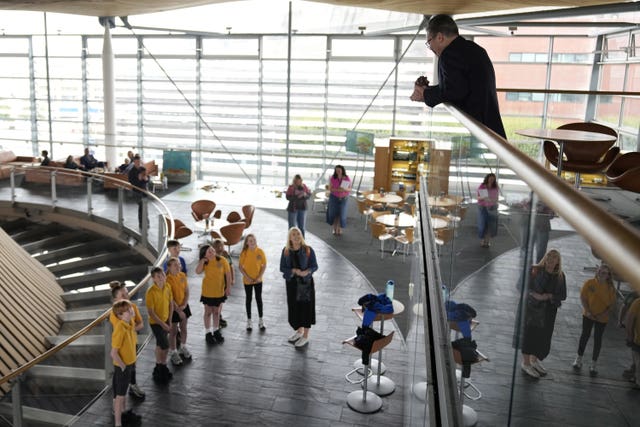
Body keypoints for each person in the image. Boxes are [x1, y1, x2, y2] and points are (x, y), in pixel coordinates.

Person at [409, 14, 506, 138]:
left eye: (429, 42)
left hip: (480, 128)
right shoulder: (474, 49)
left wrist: (424, 94)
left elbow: (454, 92)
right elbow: (458, 84)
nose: (430, 48)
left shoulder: (449, 54)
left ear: (439, 37)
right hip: (490, 123)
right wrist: (427, 90)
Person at [520, 249, 567, 378]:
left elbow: (563, 295)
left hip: (549, 312)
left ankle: (534, 361)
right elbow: (522, 286)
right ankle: (526, 363)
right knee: (530, 335)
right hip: (533, 310)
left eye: (554, 258)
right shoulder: (535, 270)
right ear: (545, 258)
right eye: (549, 257)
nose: (551, 260)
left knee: (543, 337)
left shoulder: (560, 276)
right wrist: (535, 295)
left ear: (558, 261)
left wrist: (548, 296)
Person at [572, 264, 616, 376]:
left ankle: (593, 364)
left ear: (608, 276)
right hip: (588, 315)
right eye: (601, 272)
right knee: (585, 335)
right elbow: (583, 298)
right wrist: (589, 311)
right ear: (597, 272)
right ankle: (578, 359)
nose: (602, 274)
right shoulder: (589, 283)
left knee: (598, 339)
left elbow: (611, 305)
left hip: (602, 317)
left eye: (605, 273)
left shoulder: (610, 288)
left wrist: (601, 315)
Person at [279, 227, 318, 347]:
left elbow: (314, 266)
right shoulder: (286, 251)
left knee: (306, 309)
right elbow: (282, 268)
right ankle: (299, 331)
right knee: (295, 308)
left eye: (298, 234)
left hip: (305, 285)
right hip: (292, 285)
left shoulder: (308, 250)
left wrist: (307, 272)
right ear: (290, 238)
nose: (296, 236)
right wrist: (293, 270)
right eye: (293, 234)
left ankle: (305, 336)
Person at [108, 281, 145, 400]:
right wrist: (131, 327)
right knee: (119, 374)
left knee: (133, 366)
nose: (127, 297)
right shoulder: (114, 313)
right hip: (121, 346)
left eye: (127, 293)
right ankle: (116, 400)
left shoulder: (132, 307)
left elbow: (141, 324)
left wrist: (132, 328)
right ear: (115, 300)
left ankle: (132, 386)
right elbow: (121, 327)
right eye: (123, 295)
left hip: (132, 343)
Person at [110, 300, 142, 427]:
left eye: (130, 308)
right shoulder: (120, 329)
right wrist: (123, 366)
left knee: (123, 395)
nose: (131, 310)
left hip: (129, 364)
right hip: (123, 366)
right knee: (120, 397)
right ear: (120, 316)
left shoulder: (130, 323)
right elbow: (113, 353)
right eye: (128, 311)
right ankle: (118, 423)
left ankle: (123, 413)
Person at [196, 244, 231, 345]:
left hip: (219, 292)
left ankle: (216, 331)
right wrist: (202, 261)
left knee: (216, 312)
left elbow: (228, 275)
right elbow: (197, 271)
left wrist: (228, 287)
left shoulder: (222, 260)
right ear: (205, 255)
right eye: (209, 252)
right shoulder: (205, 263)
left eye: (212, 250)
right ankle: (207, 333)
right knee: (208, 312)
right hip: (207, 292)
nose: (211, 253)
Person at [145, 267, 174, 384]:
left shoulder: (168, 287)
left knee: (159, 344)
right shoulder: (150, 292)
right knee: (165, 346)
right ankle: (163, 364)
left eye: (162, 275)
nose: (161, 277)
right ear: (153, 279)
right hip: (156, 323)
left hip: (166, 319)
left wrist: (170, 320)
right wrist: (163, 324)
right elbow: (151, 312)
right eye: (158, 276)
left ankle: (158, 365)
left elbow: (171, 304)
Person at [166, 257, 192, 365]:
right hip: (173, 308)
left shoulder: (182, 276)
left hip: (183, 305)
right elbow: (170, 298)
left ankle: (183, 346)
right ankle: (173, 352)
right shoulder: (167, 280)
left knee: (183, 328)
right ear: (169, 267)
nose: (178, 267)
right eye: (175, 265)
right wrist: (178, 309)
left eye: (179, 264)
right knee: (173, 331)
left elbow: (186, 291)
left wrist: (184, 304)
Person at [239, 234, 267, 332]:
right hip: (247, 281)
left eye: (254, 240)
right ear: (247, 243)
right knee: (249, 299)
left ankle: (261, 319)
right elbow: (240, 267)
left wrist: (259, 277)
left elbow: (264, 265)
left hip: (258, 280)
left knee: (259, 299)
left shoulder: (260, 252)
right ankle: (249, 320)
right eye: (250, 240)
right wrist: (248, 277)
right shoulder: (244, 253)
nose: (252, 242)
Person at [212, 238, 234, 328]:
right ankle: (217, 319)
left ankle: (219, 317)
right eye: (217, 247)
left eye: (221, 246)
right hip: (215, 284)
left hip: (224, 283)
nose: (220, 248)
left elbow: (231, 266)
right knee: (216, 303)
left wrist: (232, 279)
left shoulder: (226, 255)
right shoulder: (212, 257)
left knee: (221, 302)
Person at [325, 165, 351, 236]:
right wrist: (339, 189)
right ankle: (334, 228)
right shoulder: (333, 178)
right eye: (337, 170)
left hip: (344, 198)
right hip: (334, 197)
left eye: (339, 170)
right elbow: (330, 188)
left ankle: (339, 228)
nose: (338, 172)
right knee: (334, 214)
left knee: (341, 214)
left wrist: (343, 189)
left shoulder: (346, 178)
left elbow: (349, 189)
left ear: (342, 170)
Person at [476, 173, 499, 248]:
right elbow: (478, 198)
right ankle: (482, 240)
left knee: (490, 225)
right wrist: (485, 198)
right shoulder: (482, 186)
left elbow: (496, 198)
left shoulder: (495, 187)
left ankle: (487, 241)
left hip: (492, 207)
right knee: (483, 224)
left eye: (493, 179)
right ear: (487, 178)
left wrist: (491, 200)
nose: (491, 180)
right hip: (482, 207)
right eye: (490, 178)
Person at [128, 158, 149, 229]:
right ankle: (142, 224)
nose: (138, 163)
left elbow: (147, 178)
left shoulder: (142, 168)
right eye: (137, 162)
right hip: (137, 192)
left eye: (139, 162)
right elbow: (132, 183)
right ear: (134, 162)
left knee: (144, 208)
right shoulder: (131, 171)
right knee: (142, 207)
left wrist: (146, 179)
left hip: (144, 191)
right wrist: (139, 180)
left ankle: (146, 223)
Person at [625, 296, 640, 390]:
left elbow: (629, 320)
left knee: (637, 360)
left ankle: (637, 379)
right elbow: (630, 319)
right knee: (637, 360)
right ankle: (637, 379)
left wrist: (630, 334)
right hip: (637, 339)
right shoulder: (637, 303)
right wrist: (630, 334)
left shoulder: (637, 302)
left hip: (637, 339)